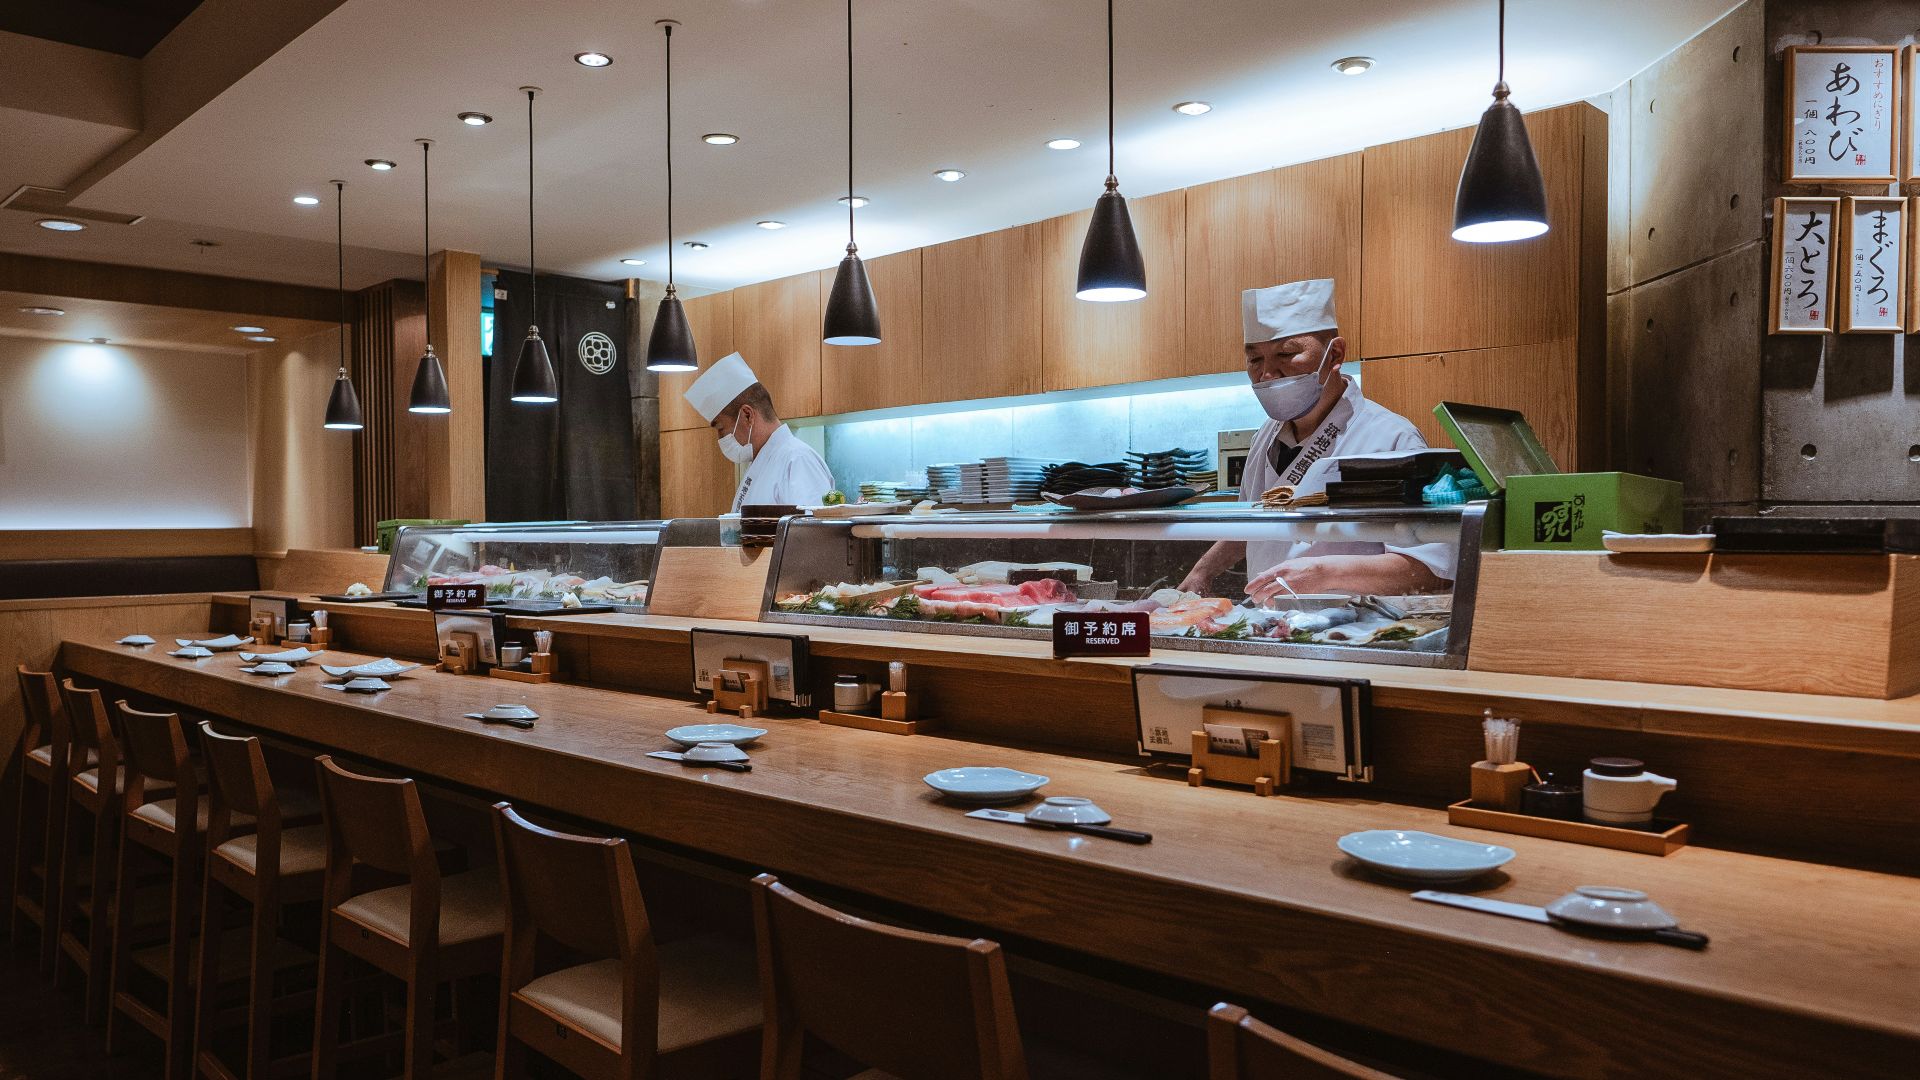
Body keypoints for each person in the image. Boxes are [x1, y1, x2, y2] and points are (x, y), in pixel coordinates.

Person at [1178, 278, 1453, 602]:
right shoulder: (1265, 436)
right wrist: (1203, 570)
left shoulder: (1392, 438)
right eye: (1255, 360)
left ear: (1335, 354)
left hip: (1357, 627)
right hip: (1269, 625)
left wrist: (1323, 573)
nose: (1267, 374)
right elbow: (1254, 521)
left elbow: (1430, 571)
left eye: (1286, 354)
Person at [683, 352, 835, 512]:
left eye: (720, 428)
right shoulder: (761, 464)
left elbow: (812, 525)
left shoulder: (797, 460)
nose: (720, 438)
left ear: (747, 415)